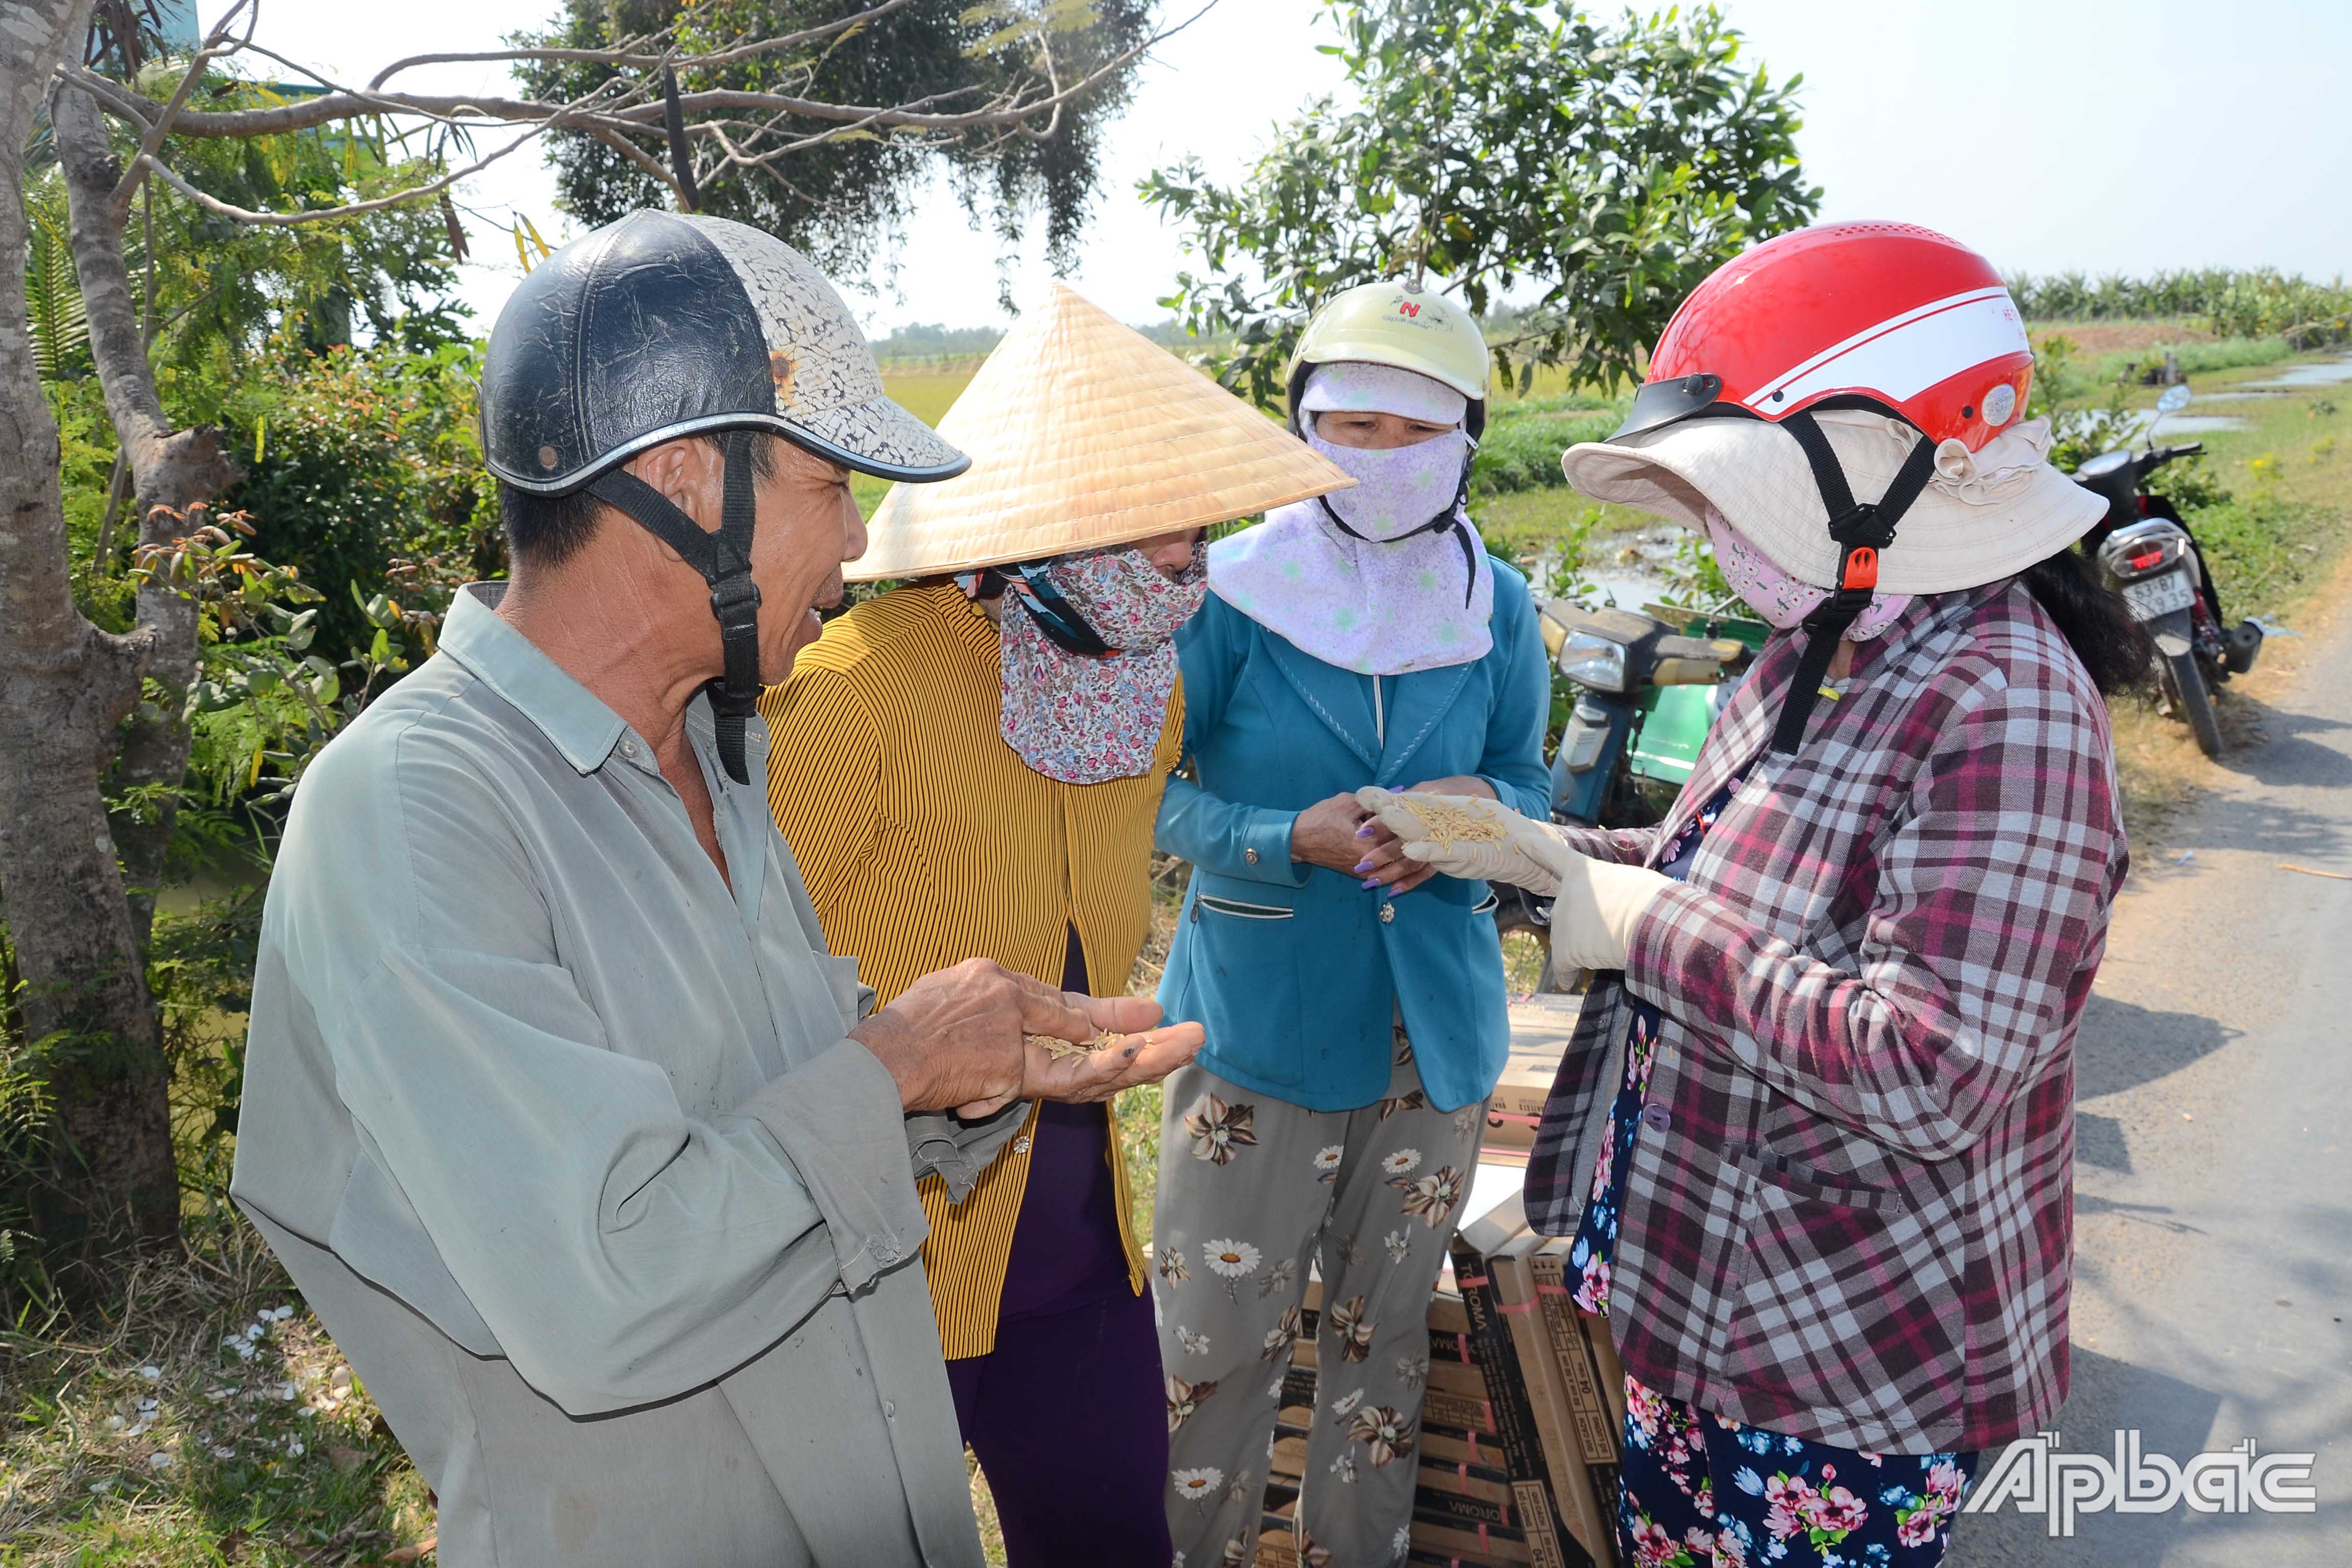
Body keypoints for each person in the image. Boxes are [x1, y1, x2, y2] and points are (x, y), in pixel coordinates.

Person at [228, 212, 1198, 1568]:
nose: (857, 541)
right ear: (683, 478)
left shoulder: (717, 760)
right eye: (830, 487)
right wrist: (897, 1064)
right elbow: (612, 1284)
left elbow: (771, 1118)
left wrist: (963, 1083)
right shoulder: (413, 807)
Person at [1365, 221, 2143, 1568]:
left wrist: (1651, 930)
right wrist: (1537, 854)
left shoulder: (2008, 706)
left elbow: (1935, 1069)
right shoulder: (1820, 645)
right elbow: (1712, 872)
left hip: (1846, 1351)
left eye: (1739, 495)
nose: (1719, 537)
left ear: (1890, 470)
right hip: (1702, 1287)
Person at [760, 285, 1348, 1566]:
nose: (1190, 561)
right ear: (1043, 528)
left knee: (1113, 1535)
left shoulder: (1141, 691)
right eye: (1156, 527)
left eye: (1199, 525)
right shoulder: (856, 691)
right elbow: (744, 987)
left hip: (1076, 1238)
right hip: (890, 1255)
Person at [1147, 279, 1553, 1564]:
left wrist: (1479, 814)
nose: (1382, 456)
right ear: (1302, 427)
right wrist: (1284, 836)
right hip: (1257, 1036)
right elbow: (1146, 794)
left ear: (1466, 441)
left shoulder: (1495, 605)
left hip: (1432, 1042)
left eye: (1417, 431)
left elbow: (1532, 784)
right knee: (1213, 1358)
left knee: (1385, 1362)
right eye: (1353, 425)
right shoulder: (1228, 594)